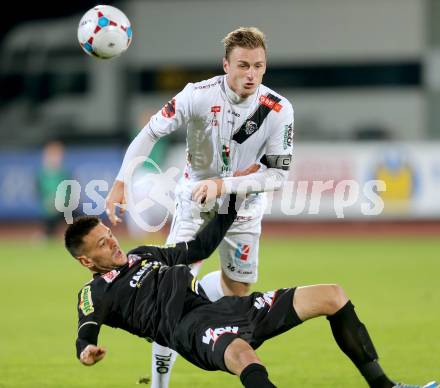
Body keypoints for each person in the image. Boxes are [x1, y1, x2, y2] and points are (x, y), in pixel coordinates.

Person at [66, 195, 437, 388]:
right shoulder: (95, 292)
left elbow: (197, 249)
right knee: (245, 358)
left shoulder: (142, 255)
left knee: (332, 295)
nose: (112, 243)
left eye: (109, 235)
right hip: (189, 331)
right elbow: (86, 329)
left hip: (228, 308)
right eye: (102, 244)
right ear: (86, 261)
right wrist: (86, 351)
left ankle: (385, 386)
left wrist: (231, 203)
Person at [105, 26, 294, 386]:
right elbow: (150, 133)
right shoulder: (196, 95)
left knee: (237, 288)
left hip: (243, 210)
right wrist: (120, 181)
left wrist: (224, 185)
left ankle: (198, 294)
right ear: (226, 65)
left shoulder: (278, 109)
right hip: (194, 203)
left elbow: (277, 176)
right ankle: (159, 384)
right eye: (243, 65)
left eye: (258, 65)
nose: (251, 74)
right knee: (169, 294)